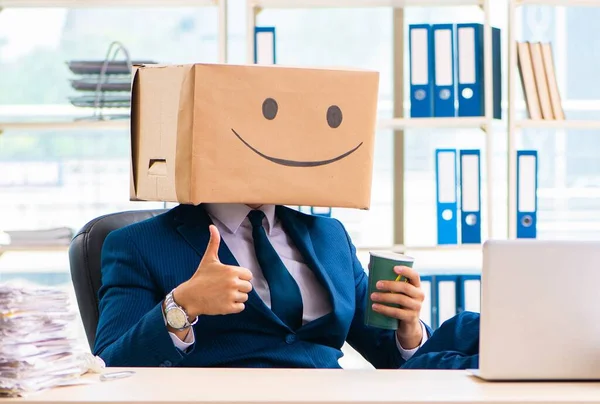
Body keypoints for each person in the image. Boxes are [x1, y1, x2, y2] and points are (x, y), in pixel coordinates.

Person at [93, 202, 433, 368]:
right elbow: (111, 364)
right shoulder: (137, 243)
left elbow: (391, 358)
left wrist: (408, 330)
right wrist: (180, 306)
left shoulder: (330, 235)